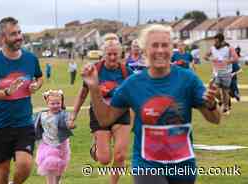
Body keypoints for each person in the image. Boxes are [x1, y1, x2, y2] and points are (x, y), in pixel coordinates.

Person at [82, 24, 221, 184]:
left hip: (183, 166)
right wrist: (94, 89)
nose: (160, 50)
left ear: (172, 48)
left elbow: (215, 119)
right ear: (145, 50)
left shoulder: (188, 80)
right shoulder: (133, 84)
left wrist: (211, 104)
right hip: (147, 165)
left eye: (165, 45)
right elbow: (105, 120)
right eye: (155, 45)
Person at [0, 17, 43, 184]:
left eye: (19, 32)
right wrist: (7, 92)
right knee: (3, 172)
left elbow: (39, 76)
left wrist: (36, 85)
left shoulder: (30, 58)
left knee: (25, 165)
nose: (18, 37)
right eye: (13, 34)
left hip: (24, 123)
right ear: (3, 38)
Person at [71, 36, 131, 184]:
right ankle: (96, 145)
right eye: (109, 54)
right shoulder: (95, 70)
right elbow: (83, 94)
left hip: (120, 113)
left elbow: (136, 94)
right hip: (99, 114)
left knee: (120, 156)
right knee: (104, 160)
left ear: (120, 54)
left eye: (115, 54)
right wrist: (73, 115)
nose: (112, 57)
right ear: (103, 54)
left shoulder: (126, 72)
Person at [33, 89, 75, 184]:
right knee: (50, 163)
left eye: (58, 103)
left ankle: (57, 181)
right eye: (52, 103)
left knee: (59, 166)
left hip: (61, 144)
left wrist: (70, 125)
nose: (55, 106)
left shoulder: (63, 114)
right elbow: (35, 125)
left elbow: (68, 122)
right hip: (46, 144)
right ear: (47, 103)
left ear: (61, 103)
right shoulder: (41, 115)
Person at [205, 33, 238, 115]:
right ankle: (221, 102)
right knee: (213, 89)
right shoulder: (212, 48)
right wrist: (211, 58)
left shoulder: (229, 48)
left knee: (225, 91)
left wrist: (228, 61)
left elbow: (236, 58)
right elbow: (205, 56)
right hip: (216, 73)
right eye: (214, 41)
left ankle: (226, 108)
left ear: (222, 41)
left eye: (217, 41)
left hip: (226, 73)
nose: (215, 43)